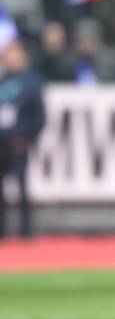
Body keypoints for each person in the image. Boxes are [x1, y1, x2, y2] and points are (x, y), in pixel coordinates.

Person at [0, 40, 45, 238]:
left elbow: (39, 116)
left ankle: (26, 229)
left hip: (18, 142)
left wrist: (26, 137)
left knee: (22, 187)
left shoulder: (31, 83)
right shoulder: (4, 80)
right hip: (2, 141)